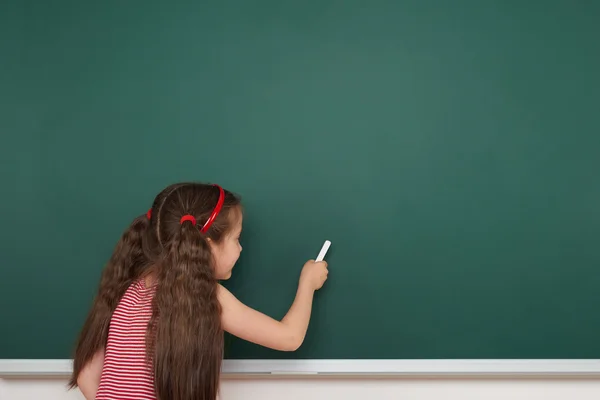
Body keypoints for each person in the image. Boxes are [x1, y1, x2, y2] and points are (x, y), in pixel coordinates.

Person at [68, 182, 329, 400]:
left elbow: (86, 375)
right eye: (237, 239)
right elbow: (289, 337)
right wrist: (308, 284)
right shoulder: (206, 296)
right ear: (206, 244)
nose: (241, 249)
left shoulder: (127, 289)